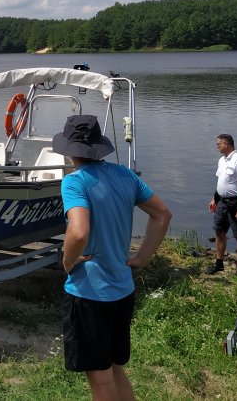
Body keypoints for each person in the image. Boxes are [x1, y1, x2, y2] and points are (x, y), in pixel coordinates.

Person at [53, 115, 172, 400]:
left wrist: (68, 261)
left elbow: (79, 231)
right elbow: (162, 214)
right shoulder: (125, 175)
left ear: (70, 150)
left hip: (90, 294)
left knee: (100, 377)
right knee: (115, 367)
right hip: (122, 289)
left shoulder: (75, 182)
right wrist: (142, 257)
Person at [207, 134, 237, 274]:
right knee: (219, 232)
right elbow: (221, 182)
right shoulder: (222, 160)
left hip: (235, 204)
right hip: (222, 202)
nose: (217, 146)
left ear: (226, 144)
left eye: (218, 144)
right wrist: (214, 199)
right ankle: (219, 263)